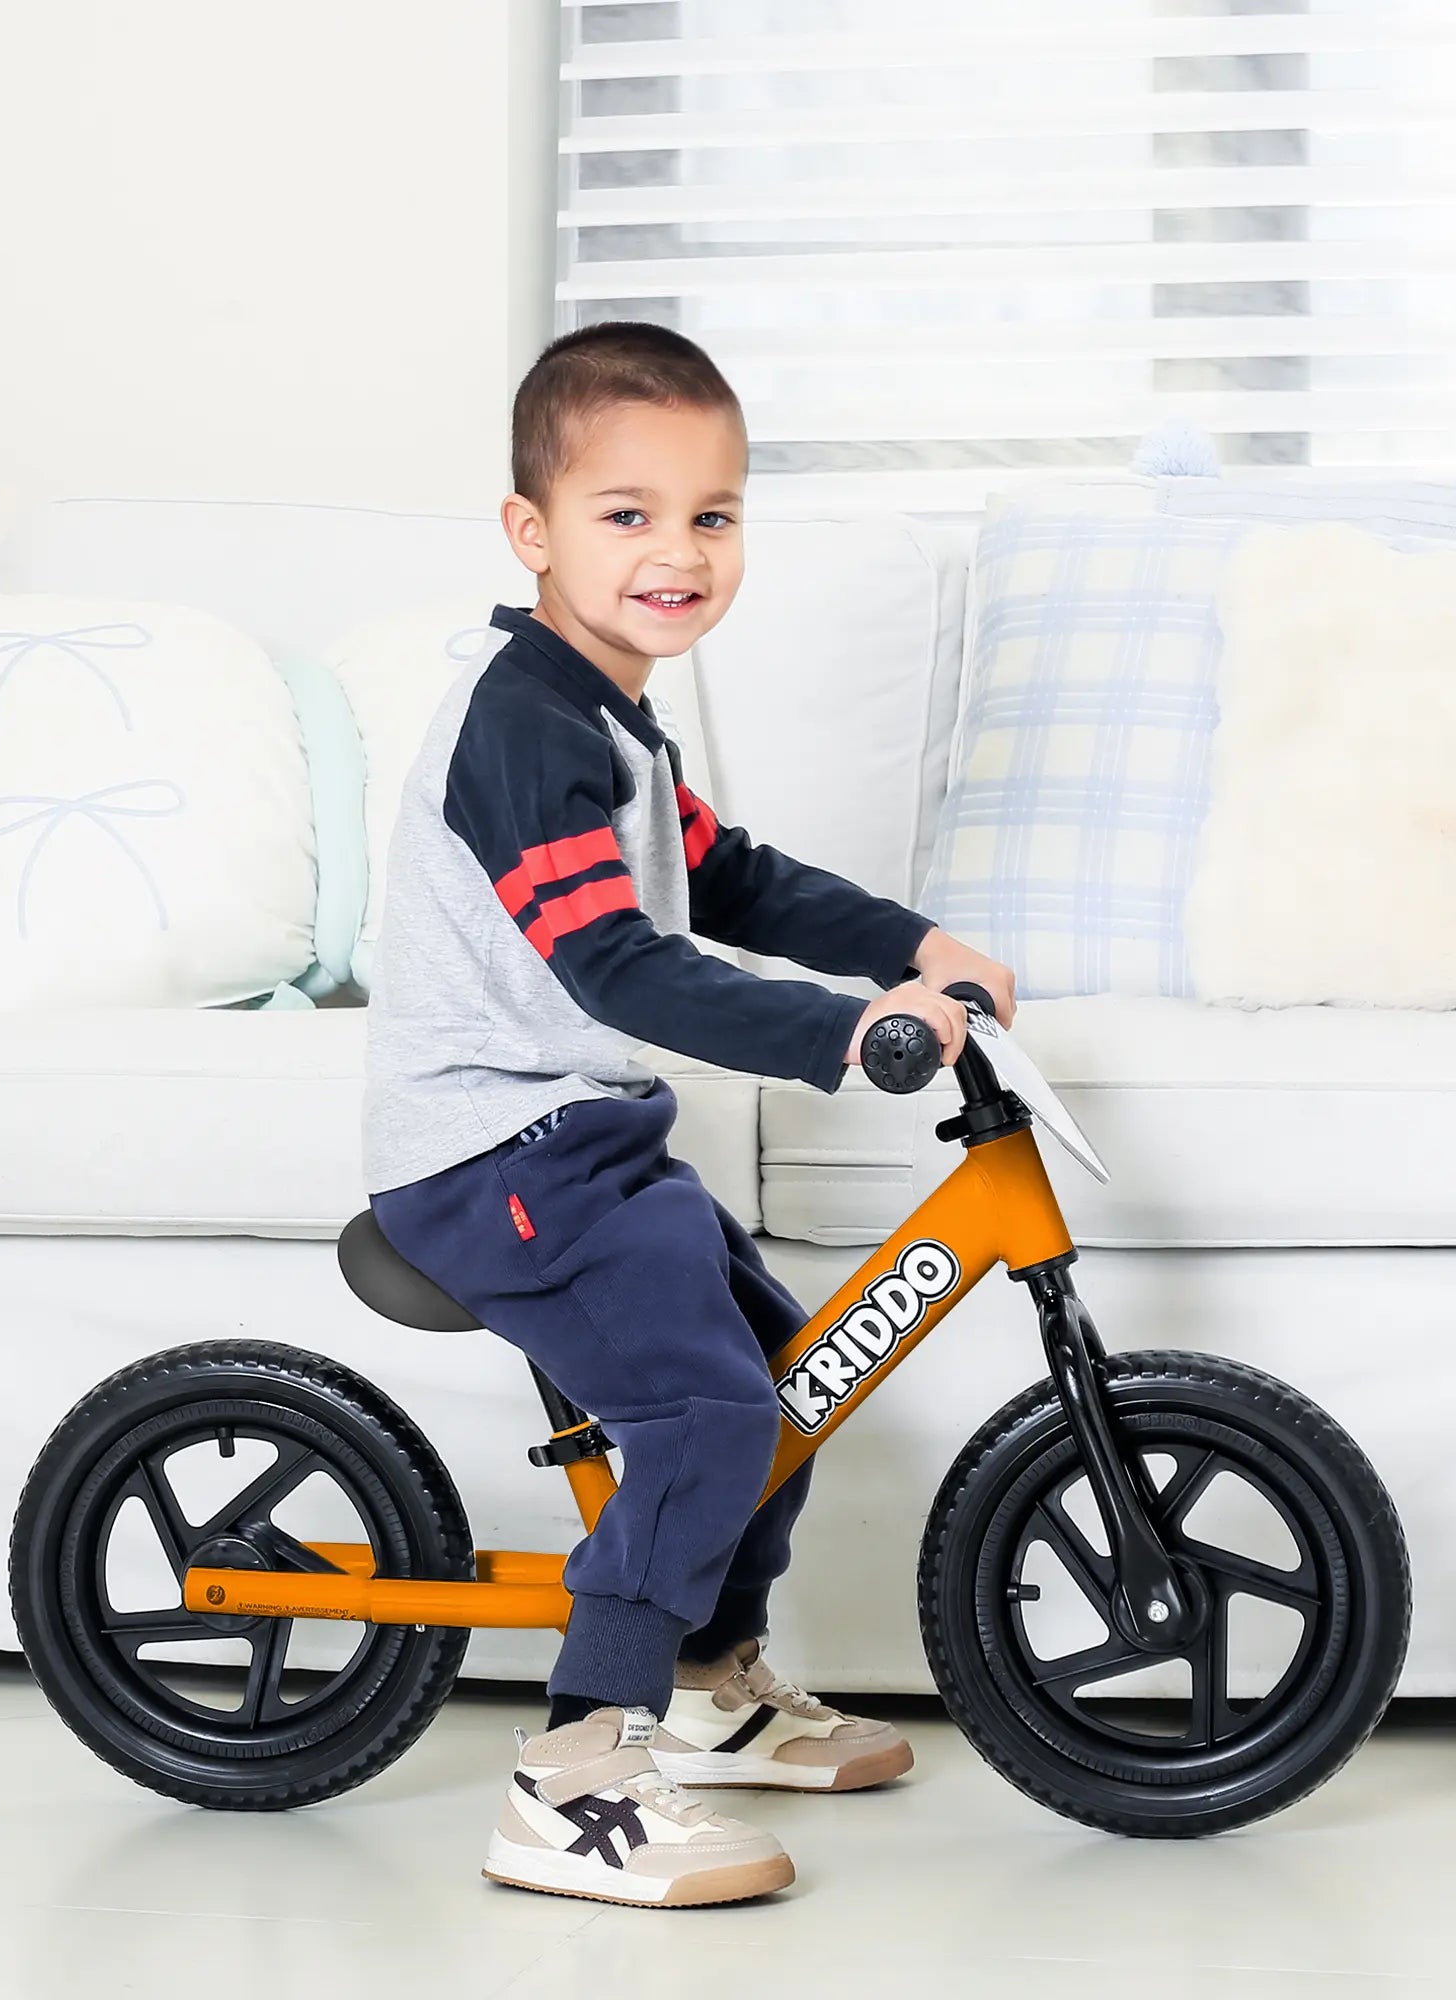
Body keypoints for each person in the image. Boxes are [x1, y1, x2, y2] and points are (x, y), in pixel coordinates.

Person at [361, 320, 1017, 1909]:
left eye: (712, 515)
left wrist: (911, 948)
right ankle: (574, 1771)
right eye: (627, 513)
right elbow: (619, 968)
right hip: (491, 1157)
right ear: (533, 533)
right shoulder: (521, 728)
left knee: (780, 1387)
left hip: (578, 1145)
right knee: (710, 1414)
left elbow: (728, 876)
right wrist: (852, 1034)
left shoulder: (610, 717)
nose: (679, 551)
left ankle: (715, 1688)